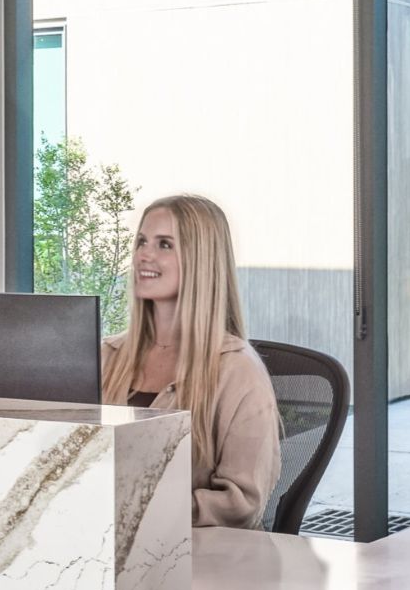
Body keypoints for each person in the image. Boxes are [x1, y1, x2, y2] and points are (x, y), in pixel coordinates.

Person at [101, 193, 281, 530]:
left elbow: (241, 504)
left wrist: (135, 505)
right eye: (142, 241)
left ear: (201, 260)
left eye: (165, 244)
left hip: (197, 561)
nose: (145, 254)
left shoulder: (237, 370)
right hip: (103, 547)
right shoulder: (106, 357)